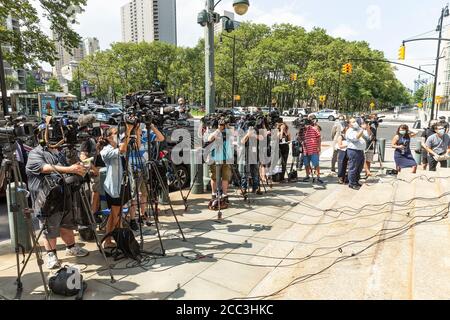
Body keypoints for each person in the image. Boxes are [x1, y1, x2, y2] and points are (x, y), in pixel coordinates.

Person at [26, 118, 89, 269]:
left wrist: (80, 165)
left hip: (63, 195)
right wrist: (70, 169)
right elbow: (44, 168)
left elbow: (69, 166)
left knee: (66, 224)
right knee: (49, 228)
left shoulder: (59, 151)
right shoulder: (35, 153)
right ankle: (51, 255)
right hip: (46, 198)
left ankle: (71, 247)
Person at [99, 124, 134, 249]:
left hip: (123, 184)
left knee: (118, 215)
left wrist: (134, 129)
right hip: (114, 188)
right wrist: (128, 131)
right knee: (114, 215)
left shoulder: (121, 145)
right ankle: (107, 240)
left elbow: (135, 145)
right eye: (115, 133)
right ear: (108, 137)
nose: (119, 135)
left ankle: (117, 237)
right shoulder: (106, 150)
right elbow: (122, 150)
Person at [127, 123, 165, 231]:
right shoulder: (130, 135)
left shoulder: (146, 134)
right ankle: (132, 219)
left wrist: (152, 126)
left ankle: (143, 215)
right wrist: (136, 132)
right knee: (134, 196)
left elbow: (161, 138)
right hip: (133, 167)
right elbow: (137, 146)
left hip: (144, 167)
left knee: (144, 193)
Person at [207, 119, 234, 211]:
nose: (222, 126)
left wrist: (227, 128)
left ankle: (224, 194)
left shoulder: (228, 132)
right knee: (214, 176)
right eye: (220, 124)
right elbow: (209, 139)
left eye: (223, 124)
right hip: (215, 158)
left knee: (225, 176)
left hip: (226, 157)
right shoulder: (215, 132)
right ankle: (214, 193)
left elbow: (233, 138)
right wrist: (217, 131)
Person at [345, 118, 370, 190]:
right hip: (353, 151)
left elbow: (367, 136)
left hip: (360, 150)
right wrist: (362, 130)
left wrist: (367, 127)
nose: (355, 123)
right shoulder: (349, 131)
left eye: (355, 121)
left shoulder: (359, 129)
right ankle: (352, 183)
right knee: (353, 167)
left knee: (359, 167)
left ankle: (356, 181)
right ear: (349, 124)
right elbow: (355, 139)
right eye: (353, 122)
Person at [241, 124, 264, 195]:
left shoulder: (256, 133)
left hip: (255, 155)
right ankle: (244, 188)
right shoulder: (245, 134)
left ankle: (256, 188)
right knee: (245, 173)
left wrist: (253, 135)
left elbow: (261, 138)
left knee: (255, 173)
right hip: (246, 155)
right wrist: (248, 135)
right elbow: (242, 141)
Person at [302, 118, 323, 184]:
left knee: (316, 164)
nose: (305, 126)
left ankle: (318, 177)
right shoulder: (301, 130)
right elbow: (299, 138)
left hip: (314, 150)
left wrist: (319, 147)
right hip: (305, 150)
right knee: (306, 164)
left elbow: (319, 138)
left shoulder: (314, 129)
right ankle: (307, 175)